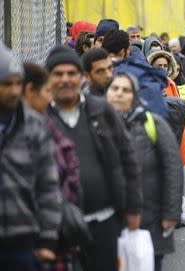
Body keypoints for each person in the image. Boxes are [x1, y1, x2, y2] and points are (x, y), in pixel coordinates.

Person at [45, 46, 142, 271]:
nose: (65, 79)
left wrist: (134, 209)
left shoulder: (101, 110)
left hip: (105, 223)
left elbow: (128, 159)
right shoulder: (39, 118)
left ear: (81, 77)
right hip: (59, 227)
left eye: (71, 73)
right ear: (48, 79)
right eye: (58, 74)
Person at [105, 72, 183, 271]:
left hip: (150, 221)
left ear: (135, 95)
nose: (119, 94)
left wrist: (171, 213)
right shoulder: (95, 123)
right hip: (107, 223)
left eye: (126, 90)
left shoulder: (153, 124)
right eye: (115, 89)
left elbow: (173, 168)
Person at [0, 42, 62, 271]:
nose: (15, 91)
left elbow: (48, 186)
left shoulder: (33, 126)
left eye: (18, 83)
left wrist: (47, 239)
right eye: (7, 84)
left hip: (24, 241)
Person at [22, 62, 80, 271]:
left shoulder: (43, 125)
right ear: (29, 91)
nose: (50, 97)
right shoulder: (34, 130)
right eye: (46, 91)